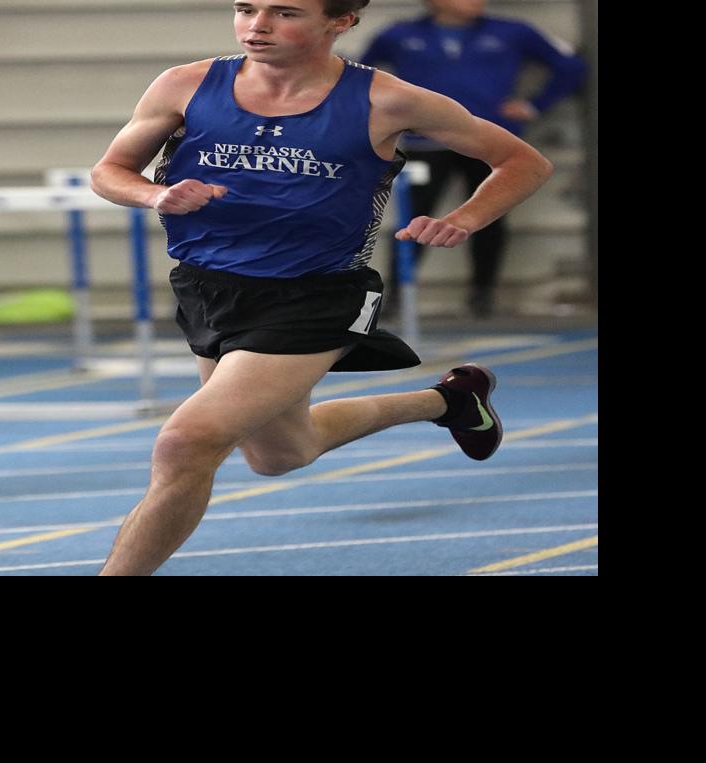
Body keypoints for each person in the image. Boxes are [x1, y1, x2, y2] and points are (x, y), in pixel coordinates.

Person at [88, 0, 552, 575]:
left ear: (341, 21)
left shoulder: (386, 99)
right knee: (280, 453)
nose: (257, 25)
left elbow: (521, 161)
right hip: (208, 287)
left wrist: (465, 218)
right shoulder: (185, 84)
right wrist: (154, 194)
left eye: (284, 13)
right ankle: (448, 400)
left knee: (186, 441)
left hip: (317, 292)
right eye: (246, 8)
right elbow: (109, 172)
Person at [361, 0, 584, 317]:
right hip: (424, 144)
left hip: (488, 142)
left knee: (489, 217)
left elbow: (571, 66)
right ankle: (396, 296)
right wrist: (381, 120)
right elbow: (357, 76)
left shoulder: (513, 32)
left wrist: (535, 104)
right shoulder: (399, 34)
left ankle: (482, 294)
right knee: (415, 217)